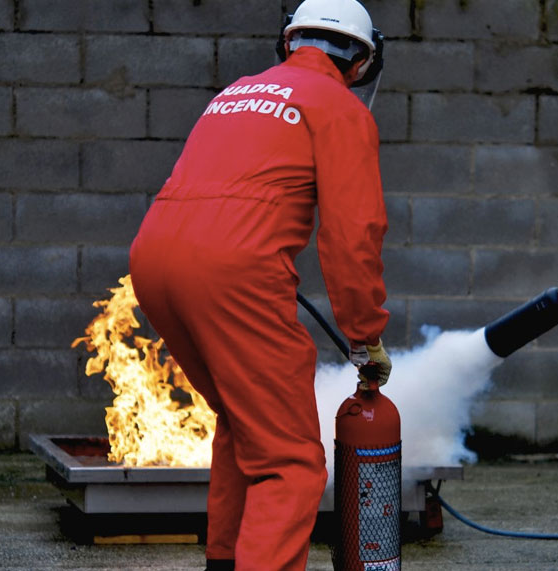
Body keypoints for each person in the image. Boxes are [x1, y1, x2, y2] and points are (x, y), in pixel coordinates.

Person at [127, 1, 392, 569]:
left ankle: (225, 560)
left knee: (244, 421)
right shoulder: (339, 109)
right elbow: (353, 236)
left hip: (153, 260)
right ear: (362, 61)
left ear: (290, 43)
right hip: (233, 270)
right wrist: (365, 337)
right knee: (291, 460)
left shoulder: (236, 92)